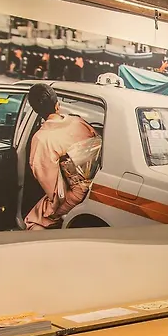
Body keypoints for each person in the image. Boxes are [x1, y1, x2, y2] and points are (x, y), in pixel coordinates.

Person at [24, 83, 101, 230]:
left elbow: (54, 189)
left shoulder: (42, 138)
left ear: (35, 110)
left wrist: (52, 207)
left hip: (76, 193)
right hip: (96, 181)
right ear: (57, 105)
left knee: (33, 221)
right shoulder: (79, 122)